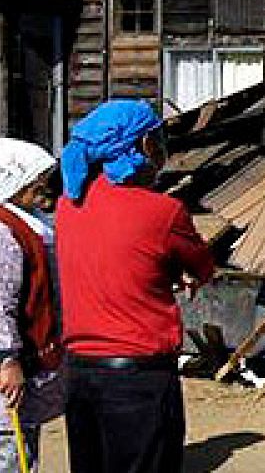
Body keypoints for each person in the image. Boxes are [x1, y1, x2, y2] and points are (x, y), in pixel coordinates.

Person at [56, 99, 216, 473]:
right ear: (144, 146)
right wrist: (178, 273)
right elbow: (202, 265)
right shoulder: (162, 211)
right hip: (139, 378)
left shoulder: (68, 206)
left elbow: (116, 259)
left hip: (80, 373)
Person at [0, 136, 65, 473]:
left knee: (23, 445)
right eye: (34, 177)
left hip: (27, 353)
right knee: (10, 451)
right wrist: (7, 359)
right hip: (9, 362)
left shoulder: (23, 221)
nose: (42, 184)